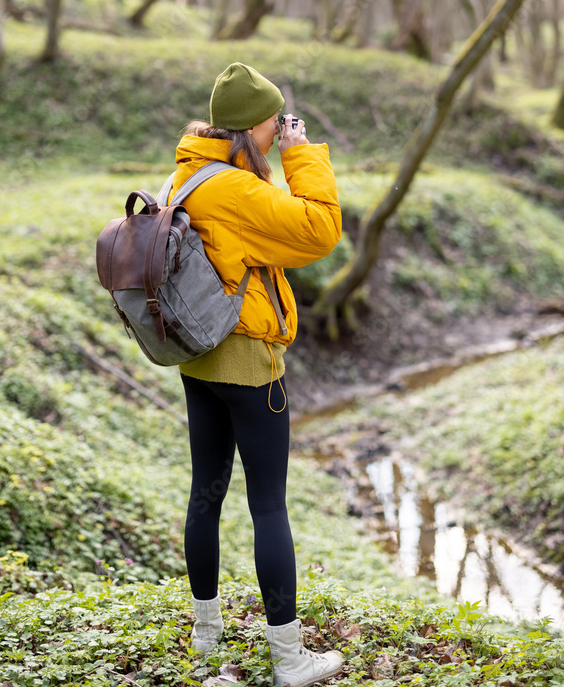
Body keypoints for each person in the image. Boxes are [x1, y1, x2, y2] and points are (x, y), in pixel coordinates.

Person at [168, 62, 344, 687]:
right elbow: (321, 229)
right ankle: (289, 659)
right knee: (268, 503)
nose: (279, 131)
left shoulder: (187, 173)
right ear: (249, 128)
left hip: (197, 358)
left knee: (205, 495)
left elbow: (256, 246)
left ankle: (207, 642)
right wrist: (302, 155)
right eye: (275, 123)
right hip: (248, 361)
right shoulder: (240, 191)